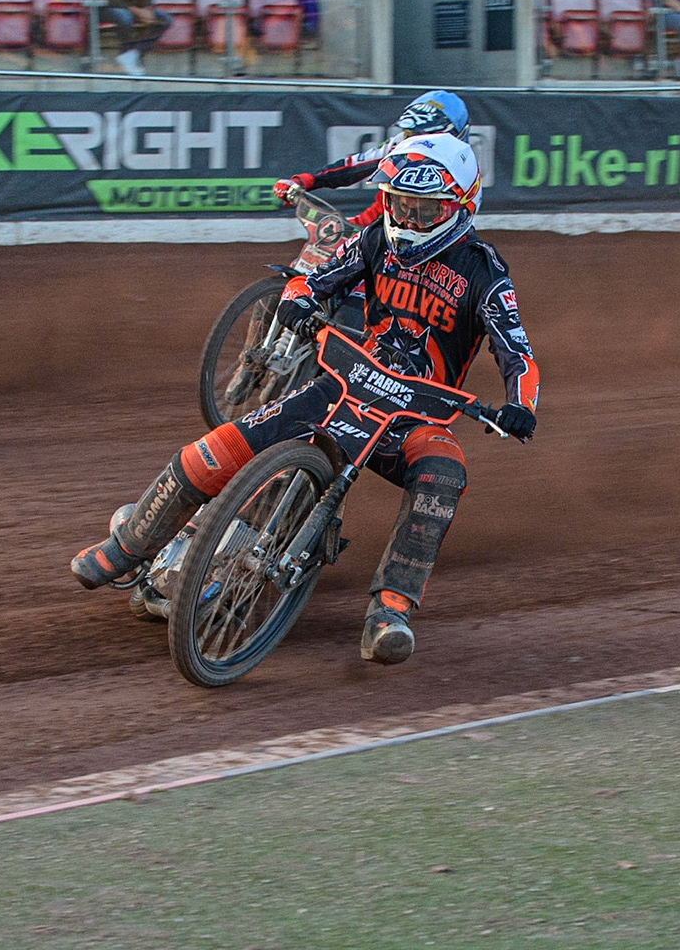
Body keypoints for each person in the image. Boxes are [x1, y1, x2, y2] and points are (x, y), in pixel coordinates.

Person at [74, 133, 539, 666]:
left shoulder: (484, 271)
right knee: (220, 445)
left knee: (444, 471)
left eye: (423, 209)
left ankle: (389, 612)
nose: (408, 219)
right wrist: (299, 302)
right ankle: (126, 548)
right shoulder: (374, 241)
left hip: (415, 414)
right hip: (344, 385)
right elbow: (312, 277)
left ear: (460, 205)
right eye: (400, 203)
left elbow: (517, 352)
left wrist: (519, 405)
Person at [273, 90, 469, 228]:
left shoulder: (462, 168)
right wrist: (305, 181)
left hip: (429, 239)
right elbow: (353, 167)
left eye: (421, 135)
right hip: (381, 224)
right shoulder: (400, 143)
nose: (412, 140)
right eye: (409, 133)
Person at [103, 0, 167, 76]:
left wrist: (147, 10)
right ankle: (126, 52)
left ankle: (135, 53)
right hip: (109, 6)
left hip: (136, 7)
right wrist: (137, 11)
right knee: (124, 17)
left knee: (165, 19)